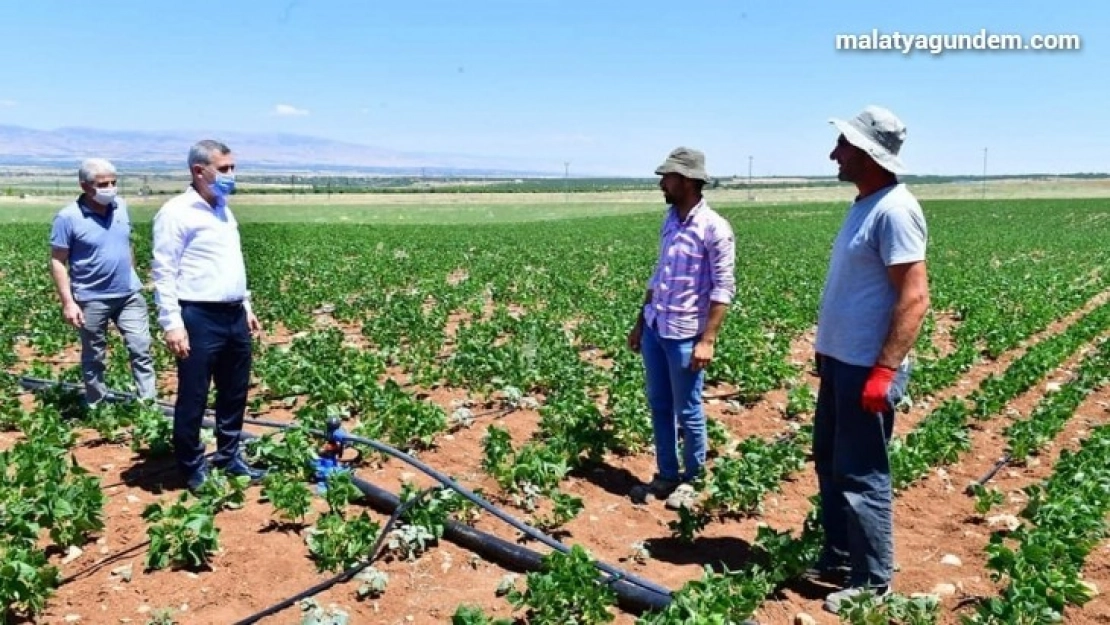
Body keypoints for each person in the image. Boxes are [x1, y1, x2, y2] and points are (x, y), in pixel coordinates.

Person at [811, 106, 930, 613]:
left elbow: (914, 296)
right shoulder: (866, 204)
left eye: (844, 146)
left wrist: (884, 371)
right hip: (841, 361)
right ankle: (839, 556)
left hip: (866, 367)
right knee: (831, 463)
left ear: (868, 154)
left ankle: (872, 580)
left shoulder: (896, 210)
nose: (834, 153)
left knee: (862, 473)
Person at [151, 140, 264, 492]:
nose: (232, 174)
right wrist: (172, 323)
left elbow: (231, 264)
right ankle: (191, 465)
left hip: (232, 314)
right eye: (225, 168)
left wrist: (245, 306)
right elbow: (163, 271)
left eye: (233, 167)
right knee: (194, 395)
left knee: (234, 392)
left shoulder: (223, 209)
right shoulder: (176, 213)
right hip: (198, 315)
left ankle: (229, 457)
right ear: (199, 171)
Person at [627, 147, 736, 510]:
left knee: (687, 408)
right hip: (658, 328)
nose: (662, 183)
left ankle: (693, 479)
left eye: (667, 176)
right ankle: (666, 474)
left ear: (687, 181)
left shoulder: (714, 228)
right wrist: (640, 322)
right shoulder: (670, 221)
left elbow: (723, 288)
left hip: (686, 334)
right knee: (659, 404)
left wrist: (708, 339)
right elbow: (658, 276)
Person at [49, 158, 156, 406]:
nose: (110, 188)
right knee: (94, 356)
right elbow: (57, 261)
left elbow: (126, 242)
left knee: (141, 349)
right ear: (85, 186)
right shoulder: (67, 218)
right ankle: (96, 404)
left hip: (129, 294)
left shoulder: (121, 206)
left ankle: (147, 405)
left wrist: (131, 273)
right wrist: (68, 302)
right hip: (91, 297)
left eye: (113, 182)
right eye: (102, 184)